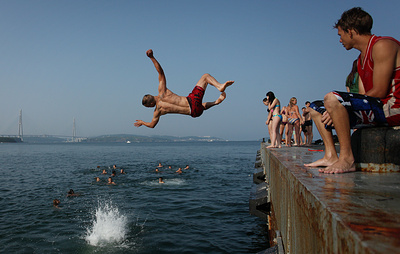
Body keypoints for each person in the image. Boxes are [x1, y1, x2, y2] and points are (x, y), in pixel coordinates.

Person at [304, 7, 400, 173]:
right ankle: (330, 156)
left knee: (332, 98)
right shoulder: (360, 60)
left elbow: (380, 91)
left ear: (351, 31)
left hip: (393, 107)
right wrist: (333, 110)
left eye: (341, 35)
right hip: (379, 108)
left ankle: (347, 158)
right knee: (315, 108)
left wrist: (337, 105)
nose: (340, 40)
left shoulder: (383, 45)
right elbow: (363, 96)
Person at [134, 49, 234, 128]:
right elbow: (161, 72)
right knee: (206, 76)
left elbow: (152, 125)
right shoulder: (162, 92)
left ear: (151, 104)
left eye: (148, 107)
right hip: (192, 101)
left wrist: (142, 122)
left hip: (195, 113)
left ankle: (215, 102)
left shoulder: (158, 111)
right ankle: (219, 86)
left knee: (201, 106)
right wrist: (152, 57)